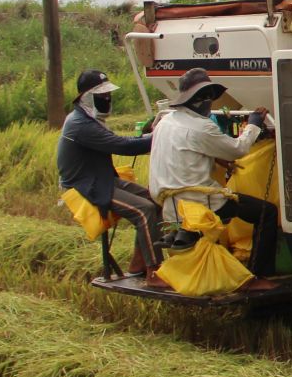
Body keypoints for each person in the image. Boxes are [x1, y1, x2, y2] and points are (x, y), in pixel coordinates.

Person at [147, 67, 279, 276]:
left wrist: (218, 160)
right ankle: (260, 275)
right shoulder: (202, 127)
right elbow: (238, 149)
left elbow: (186, 152)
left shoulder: (166, 122)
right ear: (204, 99)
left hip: (170, 205)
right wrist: (253, 124)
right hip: (199, 202)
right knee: (267, 213)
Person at [57, 68, 161, 275]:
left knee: (156, 200)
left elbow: (121, 141)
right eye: (102, 95)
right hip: (86, 186)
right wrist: (160, 136)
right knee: (144, 210)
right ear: (87, 97)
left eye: (108, 95)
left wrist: (148, 135)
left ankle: (138, 263)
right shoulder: (80, 124)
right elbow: (121, 146)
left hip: (101, 178)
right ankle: (154, 271)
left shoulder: (88, 119)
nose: (107, 99)